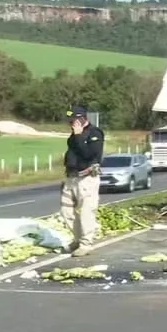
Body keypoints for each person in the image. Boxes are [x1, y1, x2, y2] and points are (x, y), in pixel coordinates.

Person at [61, 105, 105, 256]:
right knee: (67, 211)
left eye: (73, 120)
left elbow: (89, 154)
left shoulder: (95, 133)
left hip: (87, 178)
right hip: (71, 177)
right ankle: (77, 239)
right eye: (70, 121)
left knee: (86, 212)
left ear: (81, 119)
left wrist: (79, 136)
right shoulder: (73, 135)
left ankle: (86, 244)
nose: (71, 123)